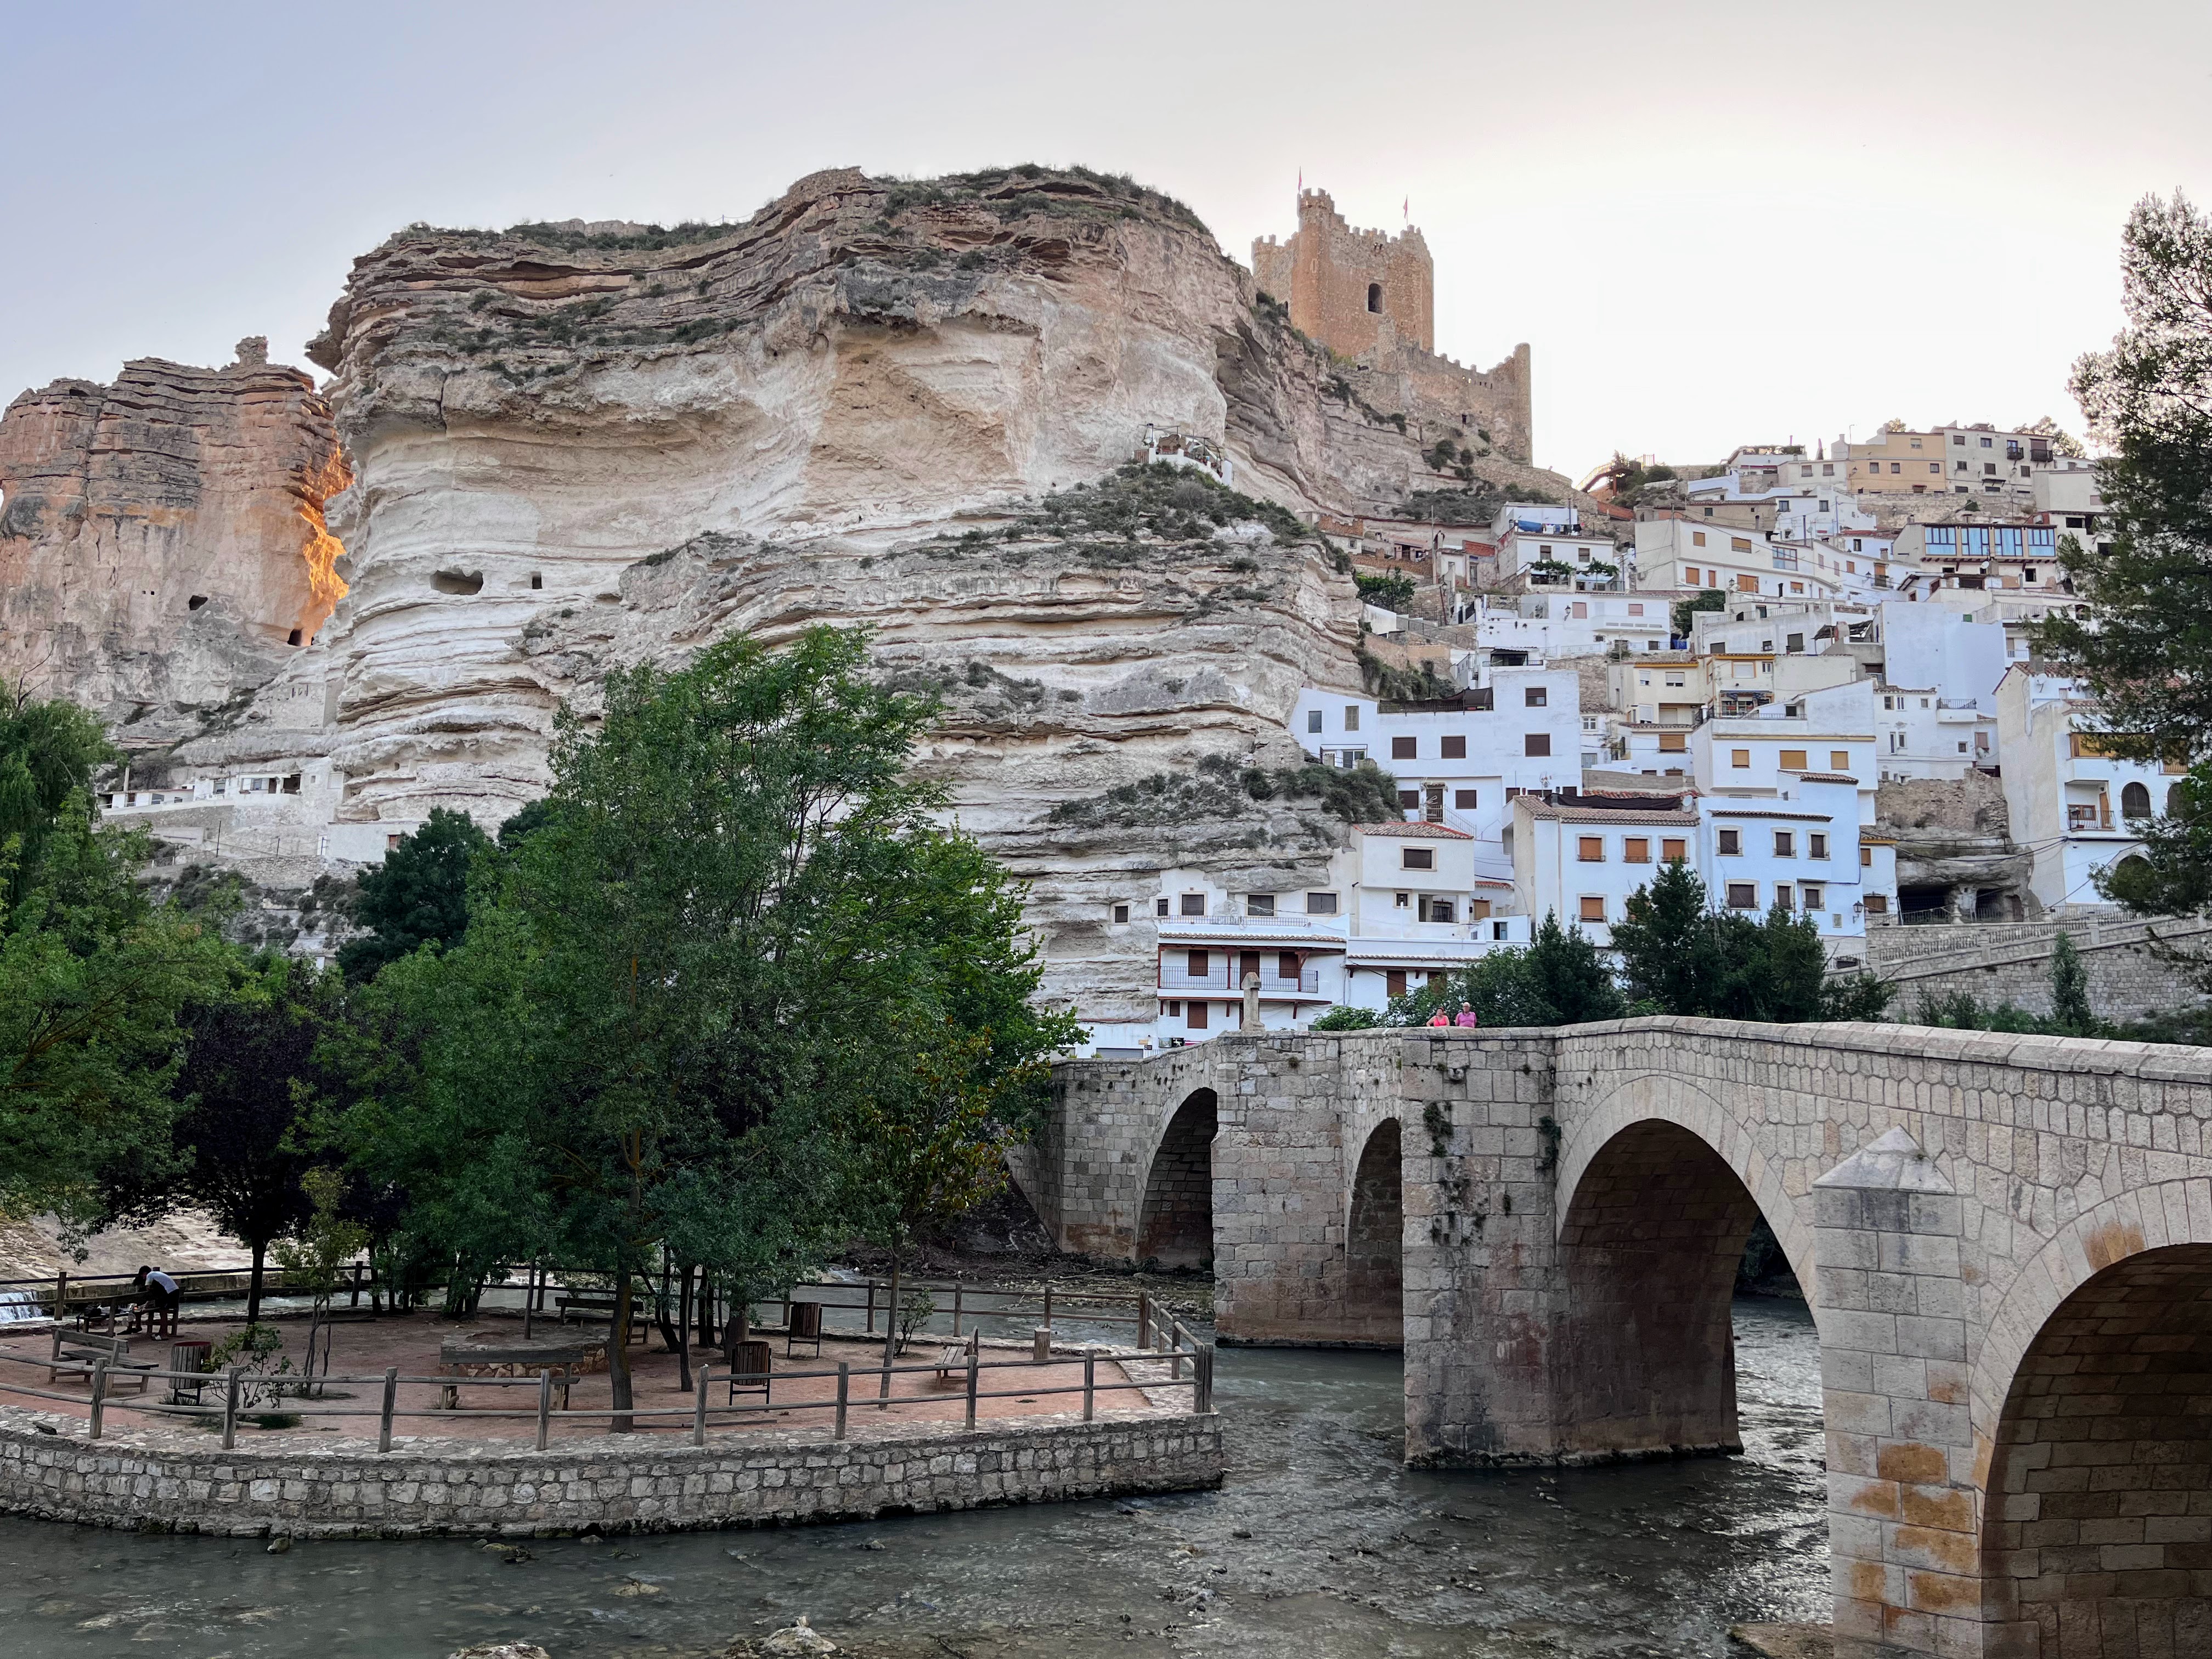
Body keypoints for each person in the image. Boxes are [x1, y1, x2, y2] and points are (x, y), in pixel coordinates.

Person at [131, 1265, 182, 1339]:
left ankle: (163, 1334)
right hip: (173, 1291)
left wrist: (150, 1290)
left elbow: (148, 1288)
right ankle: (162, 1332)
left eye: (142, 1275)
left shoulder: (150, 1275)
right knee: (163, 1312)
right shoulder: (157, 1274)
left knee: (163, 1313)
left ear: (145, 1273)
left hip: (169, 1293)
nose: (143, 1278)